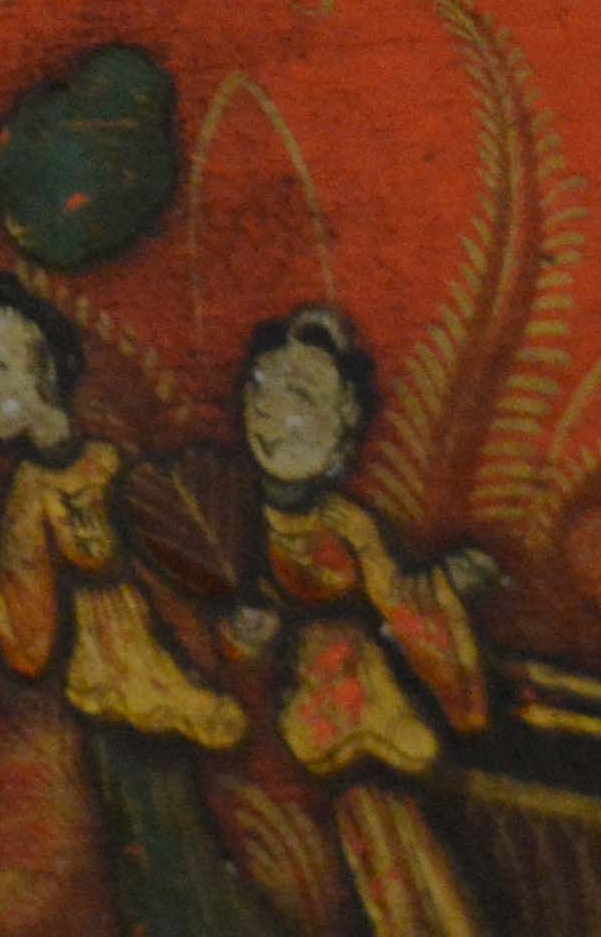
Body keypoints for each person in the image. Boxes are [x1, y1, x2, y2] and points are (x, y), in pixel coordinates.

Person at [0, 274, 293, 937]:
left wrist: (229, 621)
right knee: (152, 854)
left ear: (50, 366)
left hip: (157, 676)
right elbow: (28, 615)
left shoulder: (107, 466)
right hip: (110, 690)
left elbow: (177, 565)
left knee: (179, 847)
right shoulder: (31, 487)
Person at [219, 308, 504, 937]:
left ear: (344, 424)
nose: (272, 417)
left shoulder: (349, 526)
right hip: (268, 734)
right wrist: (242, 641)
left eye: (301, 398)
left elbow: (399, 599)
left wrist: (445, 585)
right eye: (261, 393)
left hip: (359, 712)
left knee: (397, 856)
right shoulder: (224, 515)